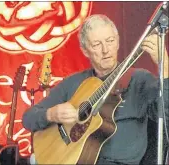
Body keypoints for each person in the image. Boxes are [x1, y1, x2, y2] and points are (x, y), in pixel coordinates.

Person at [22, 14, 168, 164]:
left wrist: (164, 66)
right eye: (97, 44)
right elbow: (28, 118)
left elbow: (166, 114)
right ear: (85, 50)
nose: (106, 50)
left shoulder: (139, 80)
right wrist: (51, 114)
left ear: (117, 42)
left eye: (110, 41)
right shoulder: (73, 83)